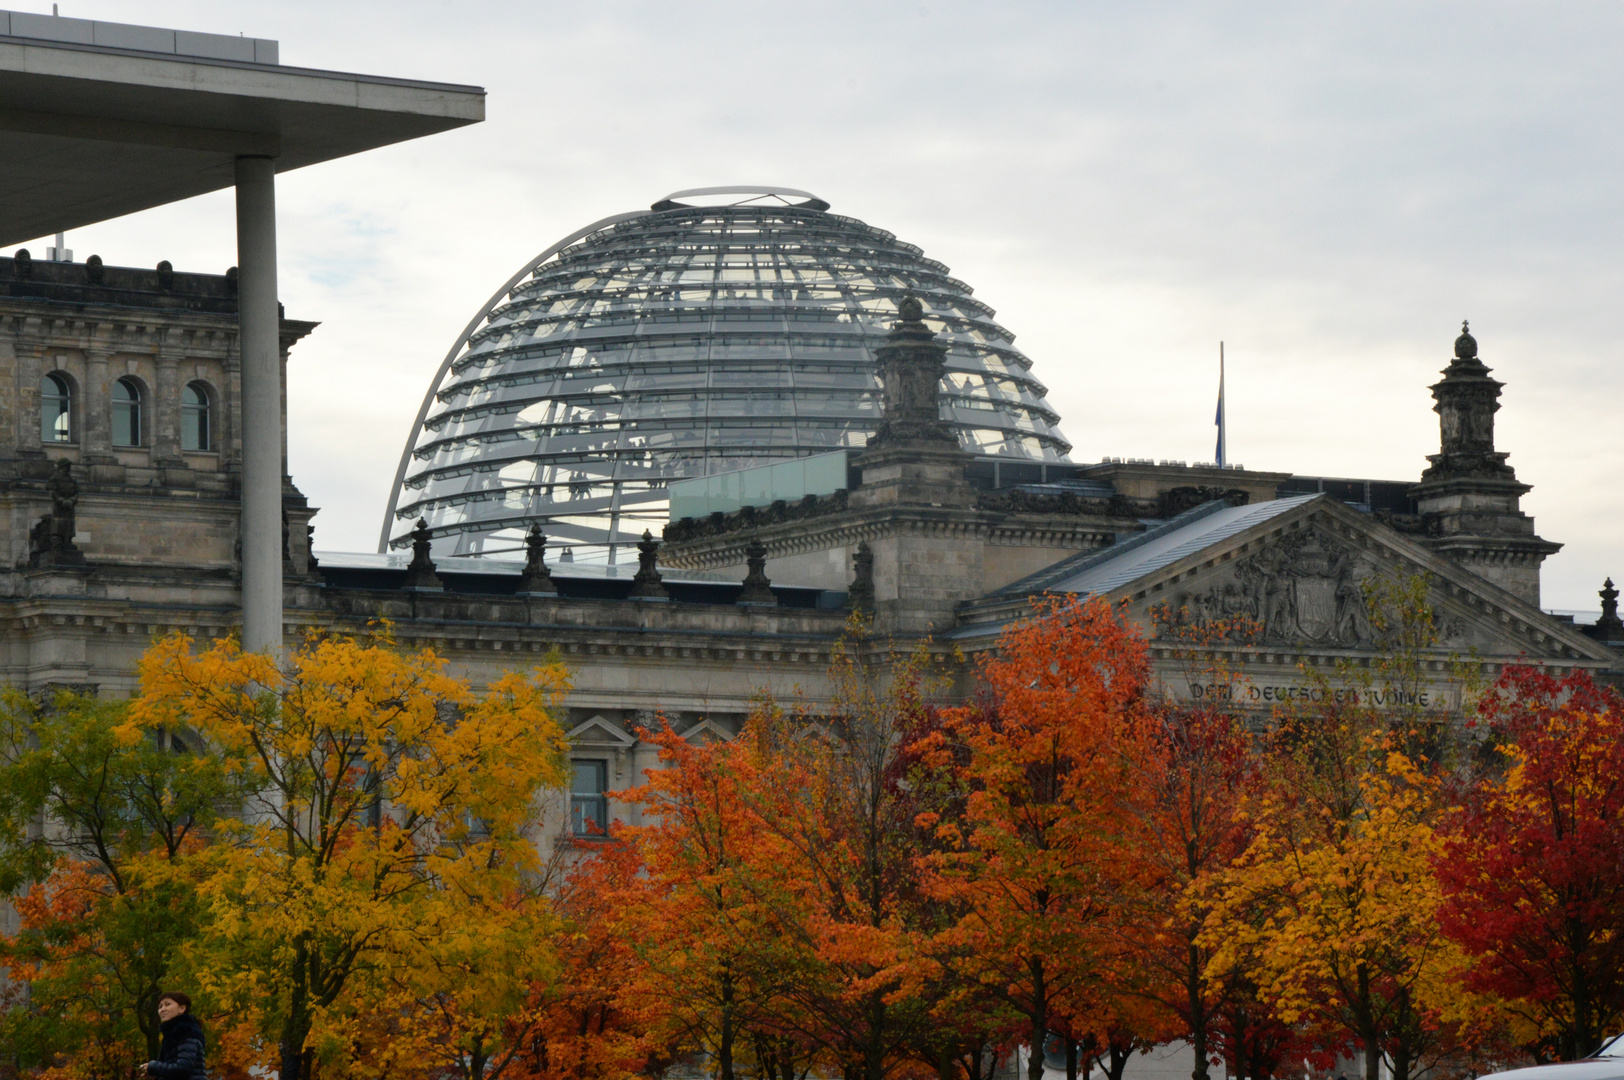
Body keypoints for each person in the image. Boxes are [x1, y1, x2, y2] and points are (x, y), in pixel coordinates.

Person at [141, 991, 207, 1080]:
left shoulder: (186, 1031)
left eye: (167, 1004)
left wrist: (154, 1066)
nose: (162, 1009)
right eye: (160, 1007)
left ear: (182, 1008)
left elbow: (183, 1068)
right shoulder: (171, 1034)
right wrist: (156, 1074)